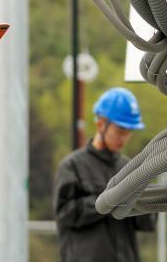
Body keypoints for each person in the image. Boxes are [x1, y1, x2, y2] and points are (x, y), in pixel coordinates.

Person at [54, 87, 157, 262]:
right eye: (120, 130)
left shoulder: (130, 168)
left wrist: (146, 200)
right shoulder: (72, 166)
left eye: (129, 132)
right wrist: (110, 198)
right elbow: (65, 214)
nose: (124, 138)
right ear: (101, 124)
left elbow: (148, 223)